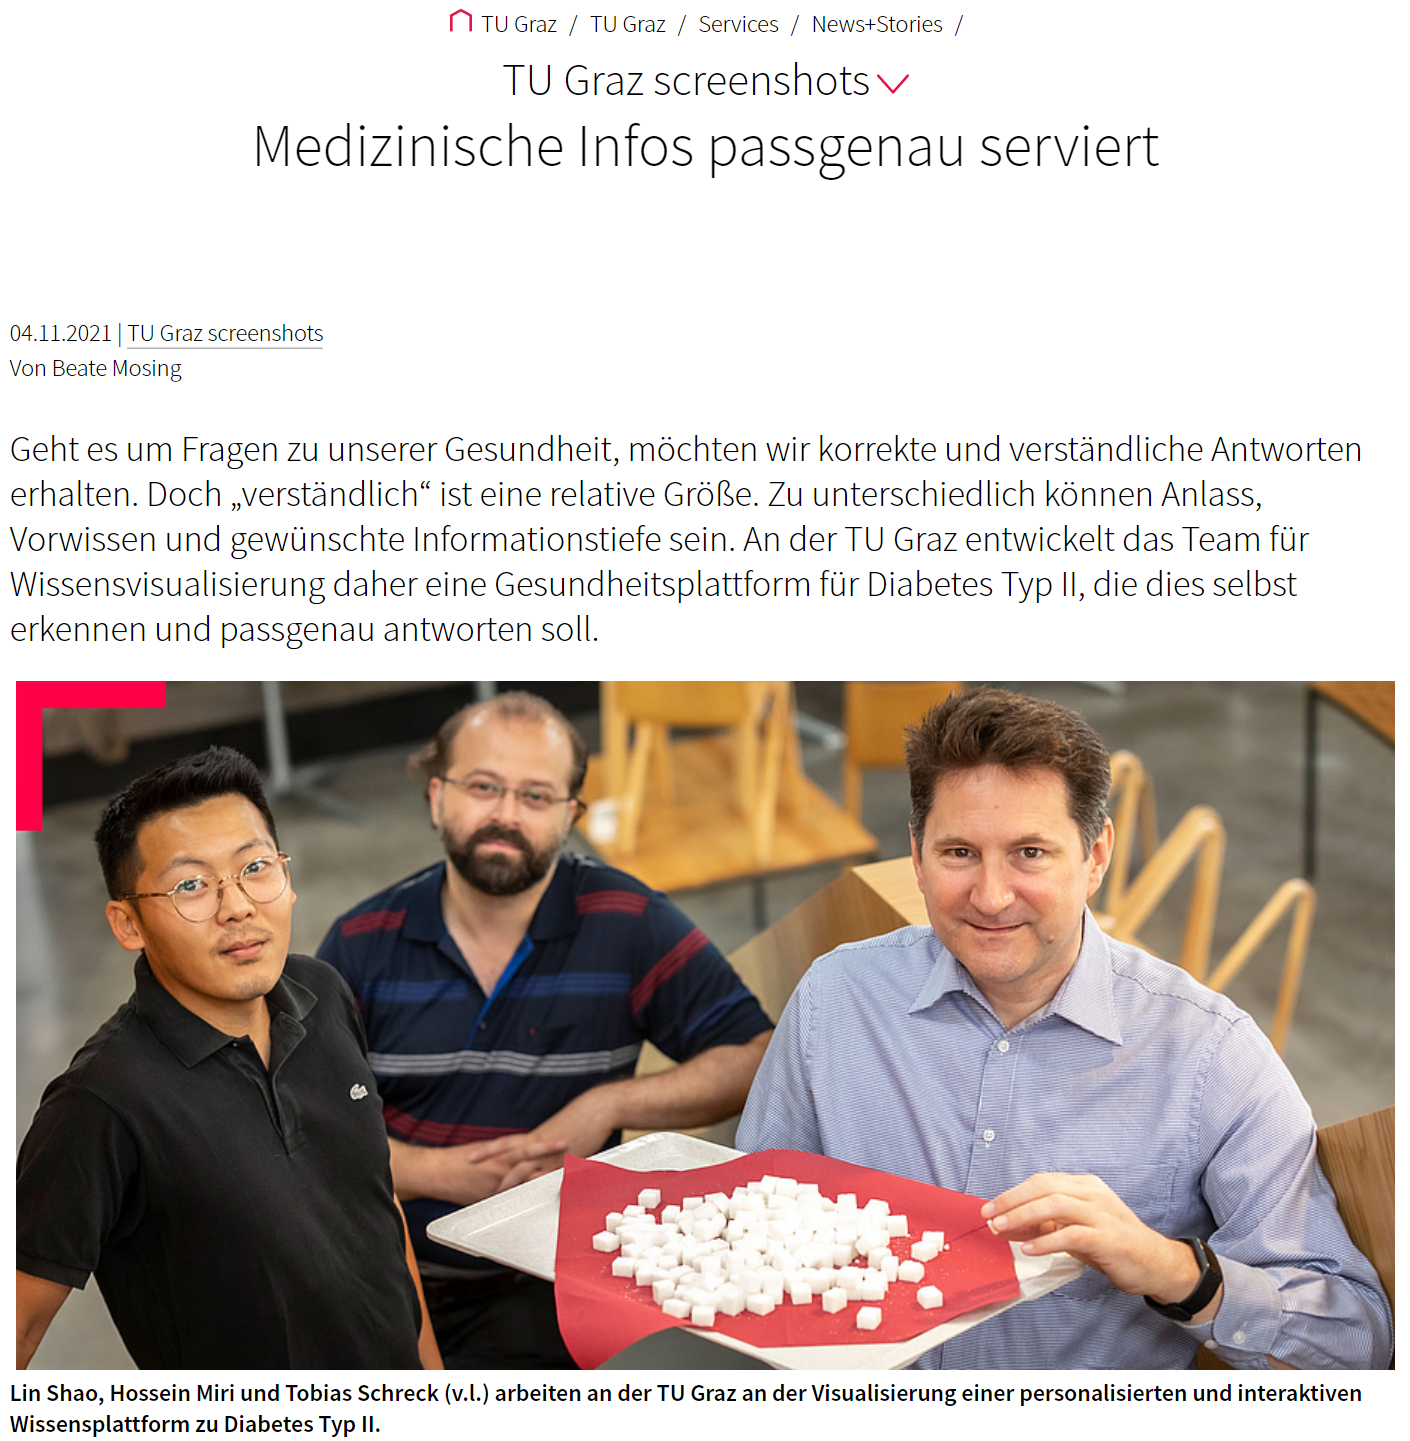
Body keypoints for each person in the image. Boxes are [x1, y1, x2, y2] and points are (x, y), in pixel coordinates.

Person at [736, 687, 1392, 1369]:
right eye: (959, 852)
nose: (991, 896)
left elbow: (1359, 1343)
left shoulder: (1211, 1055)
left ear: (1096, 856)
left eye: (1030, 852)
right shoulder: (835, 999)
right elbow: (747, 1228)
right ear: (917, 855)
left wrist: (1173, 1269)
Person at [319, 691, 774, 1367]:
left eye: (535, 795)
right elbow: (301, 1134)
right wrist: (440, 1173)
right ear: (437, 796)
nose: (506, 813)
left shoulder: (629, 922)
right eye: (483, 786)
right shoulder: (360, 943)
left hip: (558, 1279)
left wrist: (610, 1103)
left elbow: (755, 1054)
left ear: (570, 815)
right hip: (391, 1274)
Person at [16, 748, 440, 1370]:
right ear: (128, 924)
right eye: (191, 885)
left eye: (255, 867)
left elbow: (378, 1210)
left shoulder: (323, 994)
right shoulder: (100, 1101)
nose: (237, 905)